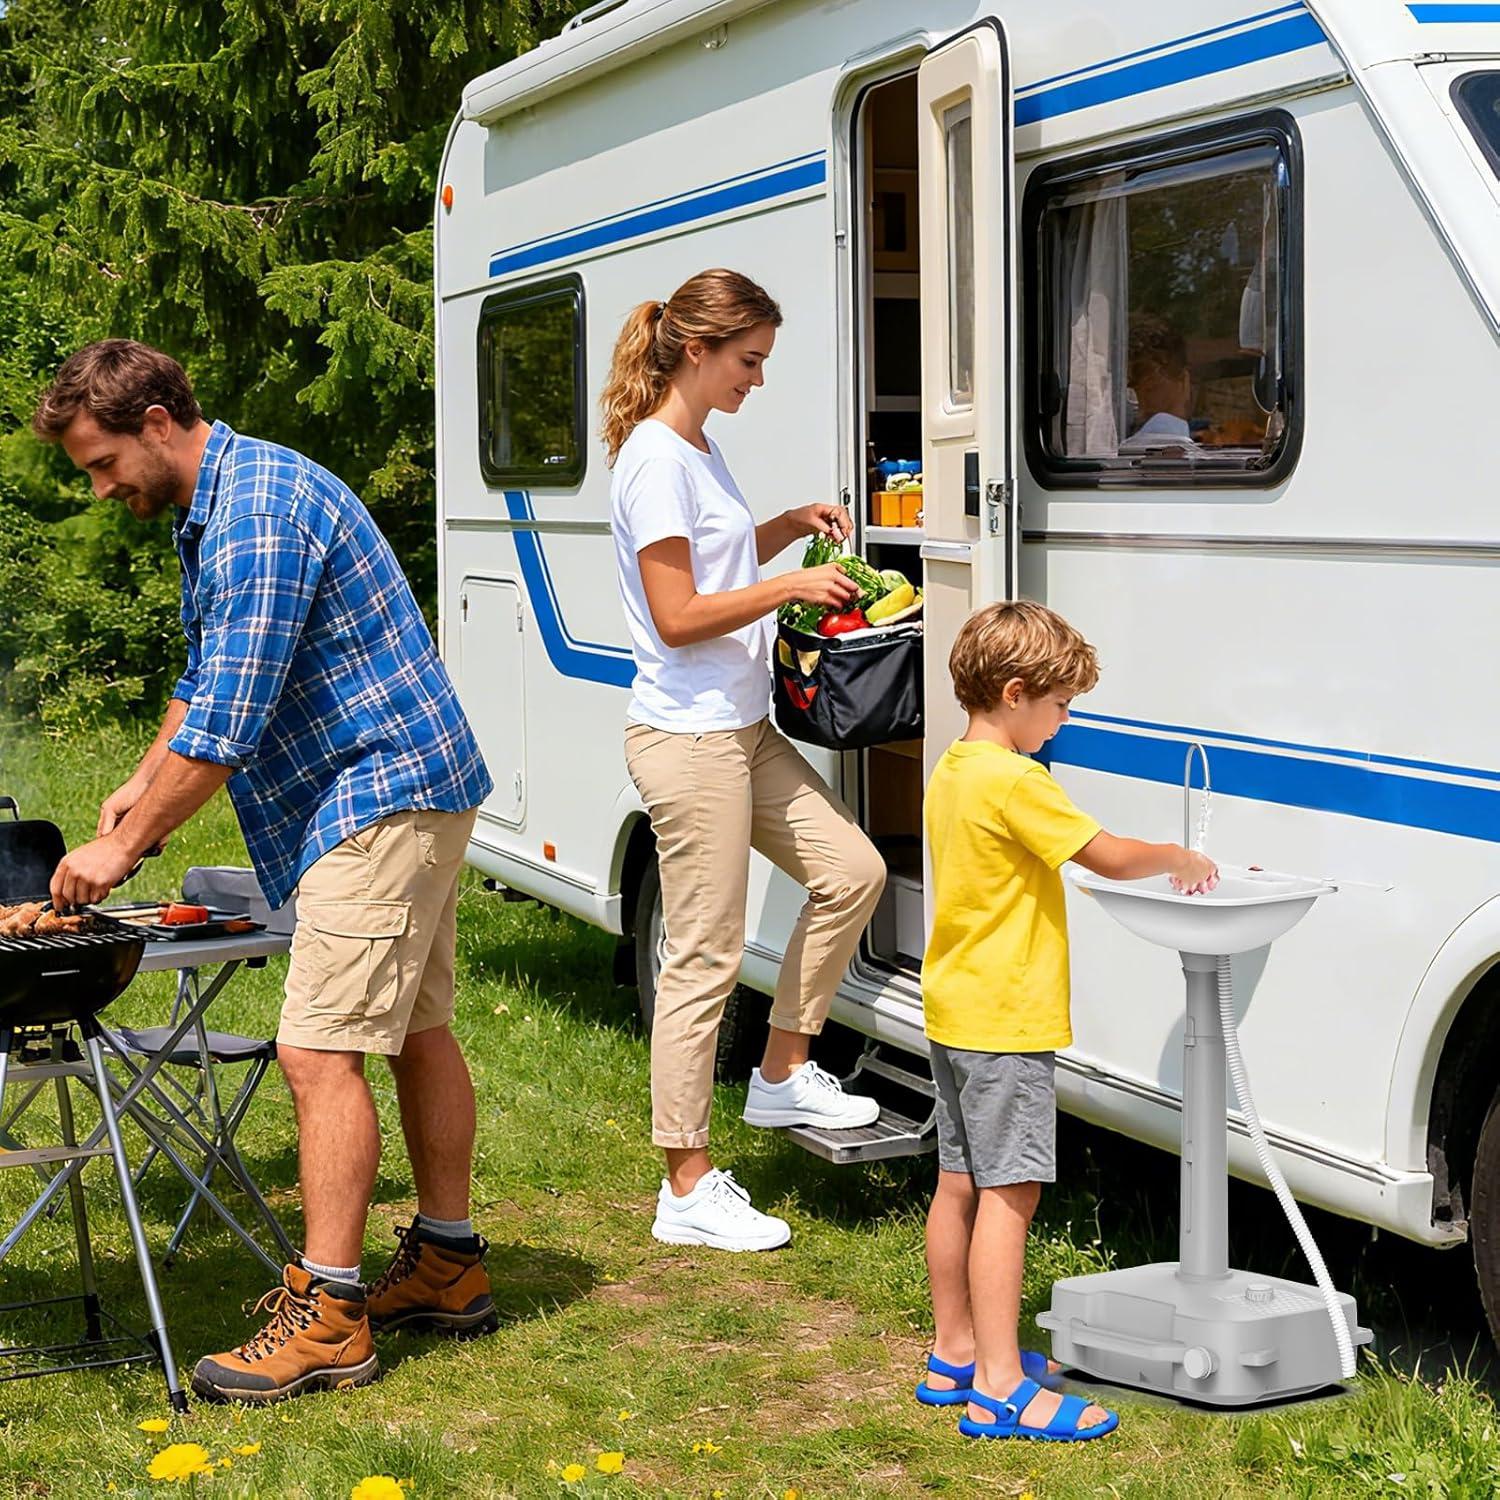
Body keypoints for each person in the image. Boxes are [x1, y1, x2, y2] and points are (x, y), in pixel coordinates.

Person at [34, 341, 496, 1403]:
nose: (102, 489)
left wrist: (123, 846)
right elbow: (205, 682)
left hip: (378, 791)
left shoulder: (254, 516)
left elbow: (230, 727)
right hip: (402, 784)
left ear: (155, 419)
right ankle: (447, 1263)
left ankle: (330, 1316)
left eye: (102, 464)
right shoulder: (223, 502)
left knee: (317, 1048)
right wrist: (134, 788)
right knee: (416, 1029)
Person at [602, 268, 888, 1253]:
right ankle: (684, 1182)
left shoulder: (697, 449)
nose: (757, 380)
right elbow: (679, 617)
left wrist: (783, 528)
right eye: (748, 361)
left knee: (854, 872)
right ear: (697, 350)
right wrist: (790, 586)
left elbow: (710, 561)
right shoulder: (652, 461)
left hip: (740, 726)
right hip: (687, 741)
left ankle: (779, 1075)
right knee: (705, 958)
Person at [916, 600, 1218, 1441]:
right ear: (1015, 694)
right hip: (1007, 1023)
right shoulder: (1017, 781)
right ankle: (1003, 1389)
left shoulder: (953, 768)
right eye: (1060, 707)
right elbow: (1105, 854)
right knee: (1012, 1198)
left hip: (953, 1008)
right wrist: (1177, 858)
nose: (1064, 722)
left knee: (957, 1186)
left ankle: (955, 1355)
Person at [1119, 313, 1199, 454]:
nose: (1140, 402)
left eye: (1151, 388)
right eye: (1131, 391)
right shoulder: (1163, 430)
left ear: (1183, 380)